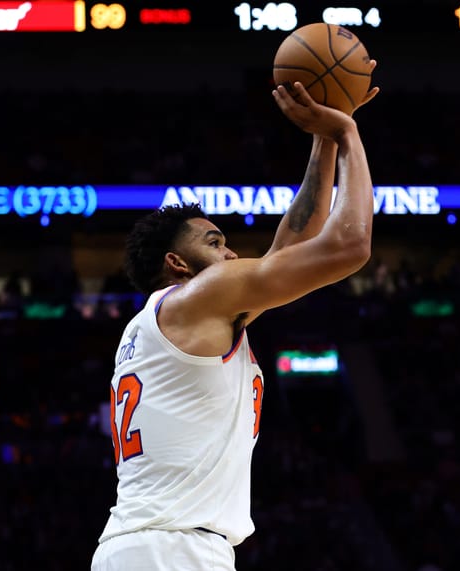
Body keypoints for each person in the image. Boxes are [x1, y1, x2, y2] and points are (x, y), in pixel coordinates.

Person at [91, 73, 379, 571]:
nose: (232, 253)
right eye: (214, 243)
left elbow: (288, 249)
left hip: (157, 545)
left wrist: (324, 137)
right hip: (171, 549)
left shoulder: (178, 318)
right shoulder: (194, 300)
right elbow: (348, 247)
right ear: (177, 264)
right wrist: (350, 136)